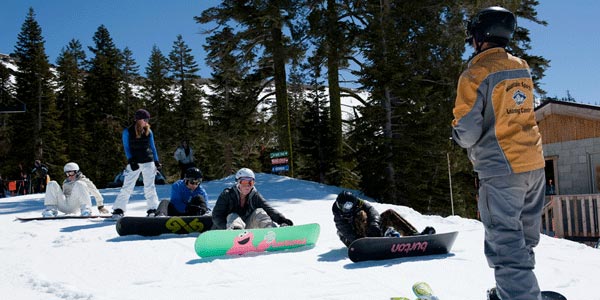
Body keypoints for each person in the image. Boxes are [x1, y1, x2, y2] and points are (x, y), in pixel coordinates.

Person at [452, 6, 546, 300]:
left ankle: (520, 295)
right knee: (523, 238)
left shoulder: (475, 73)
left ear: (479, 36)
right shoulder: (521, 67)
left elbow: (467, 130)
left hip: (502, 170)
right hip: (534, 164)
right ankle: (514, 289)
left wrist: (457, 135)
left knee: (505, 241)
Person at [332, 191, 434, 247]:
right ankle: (374, 240)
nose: (350, 207)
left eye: (352, 204)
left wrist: (374, 223)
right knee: (360, 215)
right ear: (341, 206)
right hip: (355, 240)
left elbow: (372, 211)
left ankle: (413, 235)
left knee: (389, 213)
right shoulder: (338, 215)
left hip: (372, 231)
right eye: (347, 206)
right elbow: (346, 232)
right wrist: (360, 243)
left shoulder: (358, 203)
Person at [111, 109, 161, 219]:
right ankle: (119, 209)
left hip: (148, 161)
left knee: (149, 186)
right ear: (138, 120)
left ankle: (152, 208)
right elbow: (126, 148)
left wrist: (156, 161)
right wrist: (131, 160)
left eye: (147, 119)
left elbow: (153, 147)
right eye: (145, 119)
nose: (146, 122)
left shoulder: (149, 131)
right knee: (127, 186)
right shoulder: (127, 132)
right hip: (135, 162)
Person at [212, 168, 293, 229]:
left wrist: (282, 220)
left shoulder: (254, 195)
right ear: (237, 183)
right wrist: (225, 228)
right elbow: (216, 216)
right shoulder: (227, 195)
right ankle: (236, 234)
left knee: (259, 212)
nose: (247, 186)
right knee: (233, 215)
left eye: (250, 182)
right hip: (230, 229)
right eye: (244, 182)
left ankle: (271, 233)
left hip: (248, 229)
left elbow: (268, 209)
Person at [42, 162, 109, 217]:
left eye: (71, 173)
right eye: (67, 174)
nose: (69, 176)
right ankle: (50, 210)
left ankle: (86, 210)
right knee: (52, 183)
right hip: (64, 205)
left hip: (75, 206)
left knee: (79, 183)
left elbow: (95, 192)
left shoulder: (84, 181)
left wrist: (100, 206)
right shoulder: (66, 181)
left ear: (77, 172)